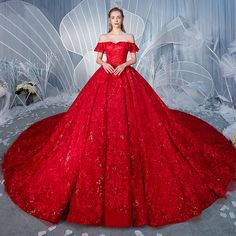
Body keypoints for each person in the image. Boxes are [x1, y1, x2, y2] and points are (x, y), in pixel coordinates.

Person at [1, 6, 236, 228]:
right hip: (104, 79)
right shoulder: (104, 37)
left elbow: (133, 59)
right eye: (113, 18)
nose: (116, 21)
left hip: (126, 77)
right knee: (93, 123)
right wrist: (104, 65)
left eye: (118, 18)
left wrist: (123, 65)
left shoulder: (129, 37)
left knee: (140, 120)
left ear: (121, 19)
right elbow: (98, 58)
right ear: (109, 20)